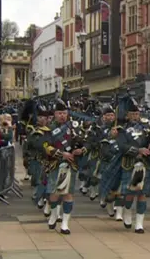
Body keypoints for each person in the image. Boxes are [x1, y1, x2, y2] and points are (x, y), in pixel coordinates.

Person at [43, 99, 84, 234]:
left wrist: (81, 150)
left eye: (64, 113)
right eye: (59, 113)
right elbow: (46, 147)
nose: (62, 115)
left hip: (70, 164)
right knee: (54, 194)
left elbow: (84, 143)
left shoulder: (74, 127)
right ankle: (54, 214)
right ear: (55, 114)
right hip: (55, 164)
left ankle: (65, 224)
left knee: (68, 194)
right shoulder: (49, 128)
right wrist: (62, 154)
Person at [116, 97, 150, 233]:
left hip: (145, 163)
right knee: (129, 194)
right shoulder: (122, 129)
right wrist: (137, 151)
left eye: (137, 114)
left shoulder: (148, 127)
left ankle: (139, 223)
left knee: (142, 193)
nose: (135, 116)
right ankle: (127, 212)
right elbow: (122, 146)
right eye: (132, 114)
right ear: (127, 115)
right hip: (129, 163)